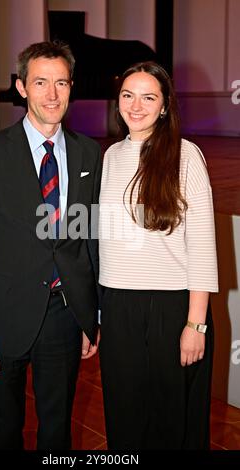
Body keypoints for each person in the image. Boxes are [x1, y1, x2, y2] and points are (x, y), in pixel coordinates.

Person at [0, 41, 102, 450]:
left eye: (61, 83)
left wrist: (92, 314)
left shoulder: (90, 152)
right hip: (2, 318)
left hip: (65, 316)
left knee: (57, 432)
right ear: (21, 87)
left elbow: (88, 239)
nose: (52, 94)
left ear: (71, 87)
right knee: (4, 432)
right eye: (40, 83)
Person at [99, 61, 218, 450]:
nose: (136, 106)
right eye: (127, 95)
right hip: (118, 305)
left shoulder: (186, 155)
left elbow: (201, 244)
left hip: (172, 308)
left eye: (148, 97)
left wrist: (195, 325)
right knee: (124, 414)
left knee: (172, 422)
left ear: (165, 106)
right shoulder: (110, 156)